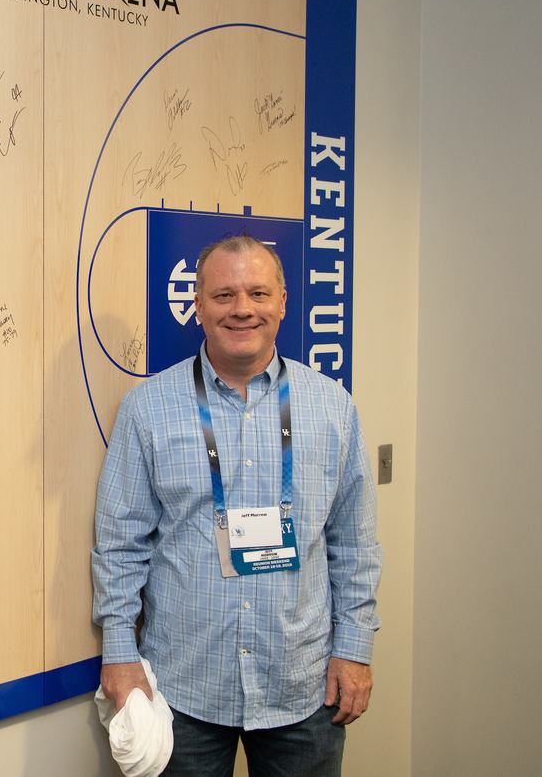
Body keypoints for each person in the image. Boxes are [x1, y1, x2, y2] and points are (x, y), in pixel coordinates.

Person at [92, 235, 382, 777]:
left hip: (304, 686)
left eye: (258, 293)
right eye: (223, 295)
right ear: (198, 306)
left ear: (283, 302)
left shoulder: (334, 408)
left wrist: (355, 648)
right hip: (185, 688)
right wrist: (118, 651)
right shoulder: (147, 408)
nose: (242, 308)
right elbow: (120, 544)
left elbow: (354, 543)